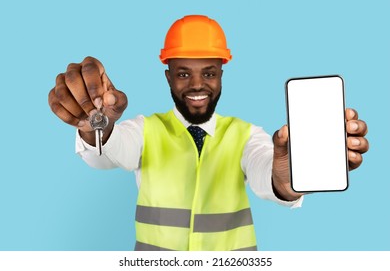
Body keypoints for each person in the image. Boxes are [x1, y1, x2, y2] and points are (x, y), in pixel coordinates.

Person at [48, 15, 369, 251]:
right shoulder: (146, 131)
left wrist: (287, 178)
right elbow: (107, 152)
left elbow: (267, 174)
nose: (198, 84)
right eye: (183, 73)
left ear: (221, 76)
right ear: (168, 77)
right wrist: (95, 123)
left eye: (209, 73)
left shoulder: (246, 136)